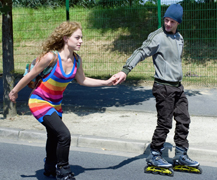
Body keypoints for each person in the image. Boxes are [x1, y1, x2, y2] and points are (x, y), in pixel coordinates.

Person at [9, 21, 116, 180]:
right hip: (39, 102)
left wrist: (106, 82)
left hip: (55, 104)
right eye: (77, 37)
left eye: (81, 38)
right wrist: (14, 91)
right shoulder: (51, 57)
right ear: (66, 38)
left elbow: (83, 80)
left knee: (54, 136)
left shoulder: (77, 60)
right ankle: (64, 171)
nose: (81, 41)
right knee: (64, 135)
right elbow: (29, 76)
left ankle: (50, 167)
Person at [113, 4, 201, 175]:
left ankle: (181, 154)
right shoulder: (157, 36)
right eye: (166, 20)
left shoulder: (180, 38)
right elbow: (140, 52)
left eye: (172, 21)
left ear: (178, 23)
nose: (167, 24)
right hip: (163, 87)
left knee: (184, 120)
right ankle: (154, 154)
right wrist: (125, 70)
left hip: (178, 87)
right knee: (165, 123)